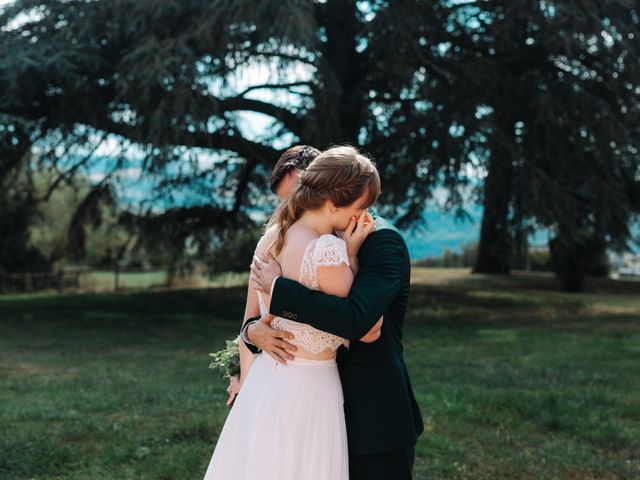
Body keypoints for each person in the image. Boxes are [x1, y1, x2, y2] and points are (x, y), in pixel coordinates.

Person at [203, 146, 383, 480]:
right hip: (310, 392)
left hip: (264, 384)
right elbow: (369, 327)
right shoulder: (327, 249)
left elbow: (251, 316)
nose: (363, 216)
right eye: (361, 207)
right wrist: (353, 256)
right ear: (334, 204)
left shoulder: (271, 237)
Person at [247, 169, 424, 479]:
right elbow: (251, 316)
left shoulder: (382, 241)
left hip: (370, 417)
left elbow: (359, 321)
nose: (297, 205)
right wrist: (251, 332)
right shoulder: (289, 236)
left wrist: (279, 290)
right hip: (302, 404)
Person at [224, 145, 321, 407]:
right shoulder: (270, 242)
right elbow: (250, 316)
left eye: (296, 195)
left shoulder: (336, 240)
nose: (292, 208)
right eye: (285, 200)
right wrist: (243, 378)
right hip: (276, 377)